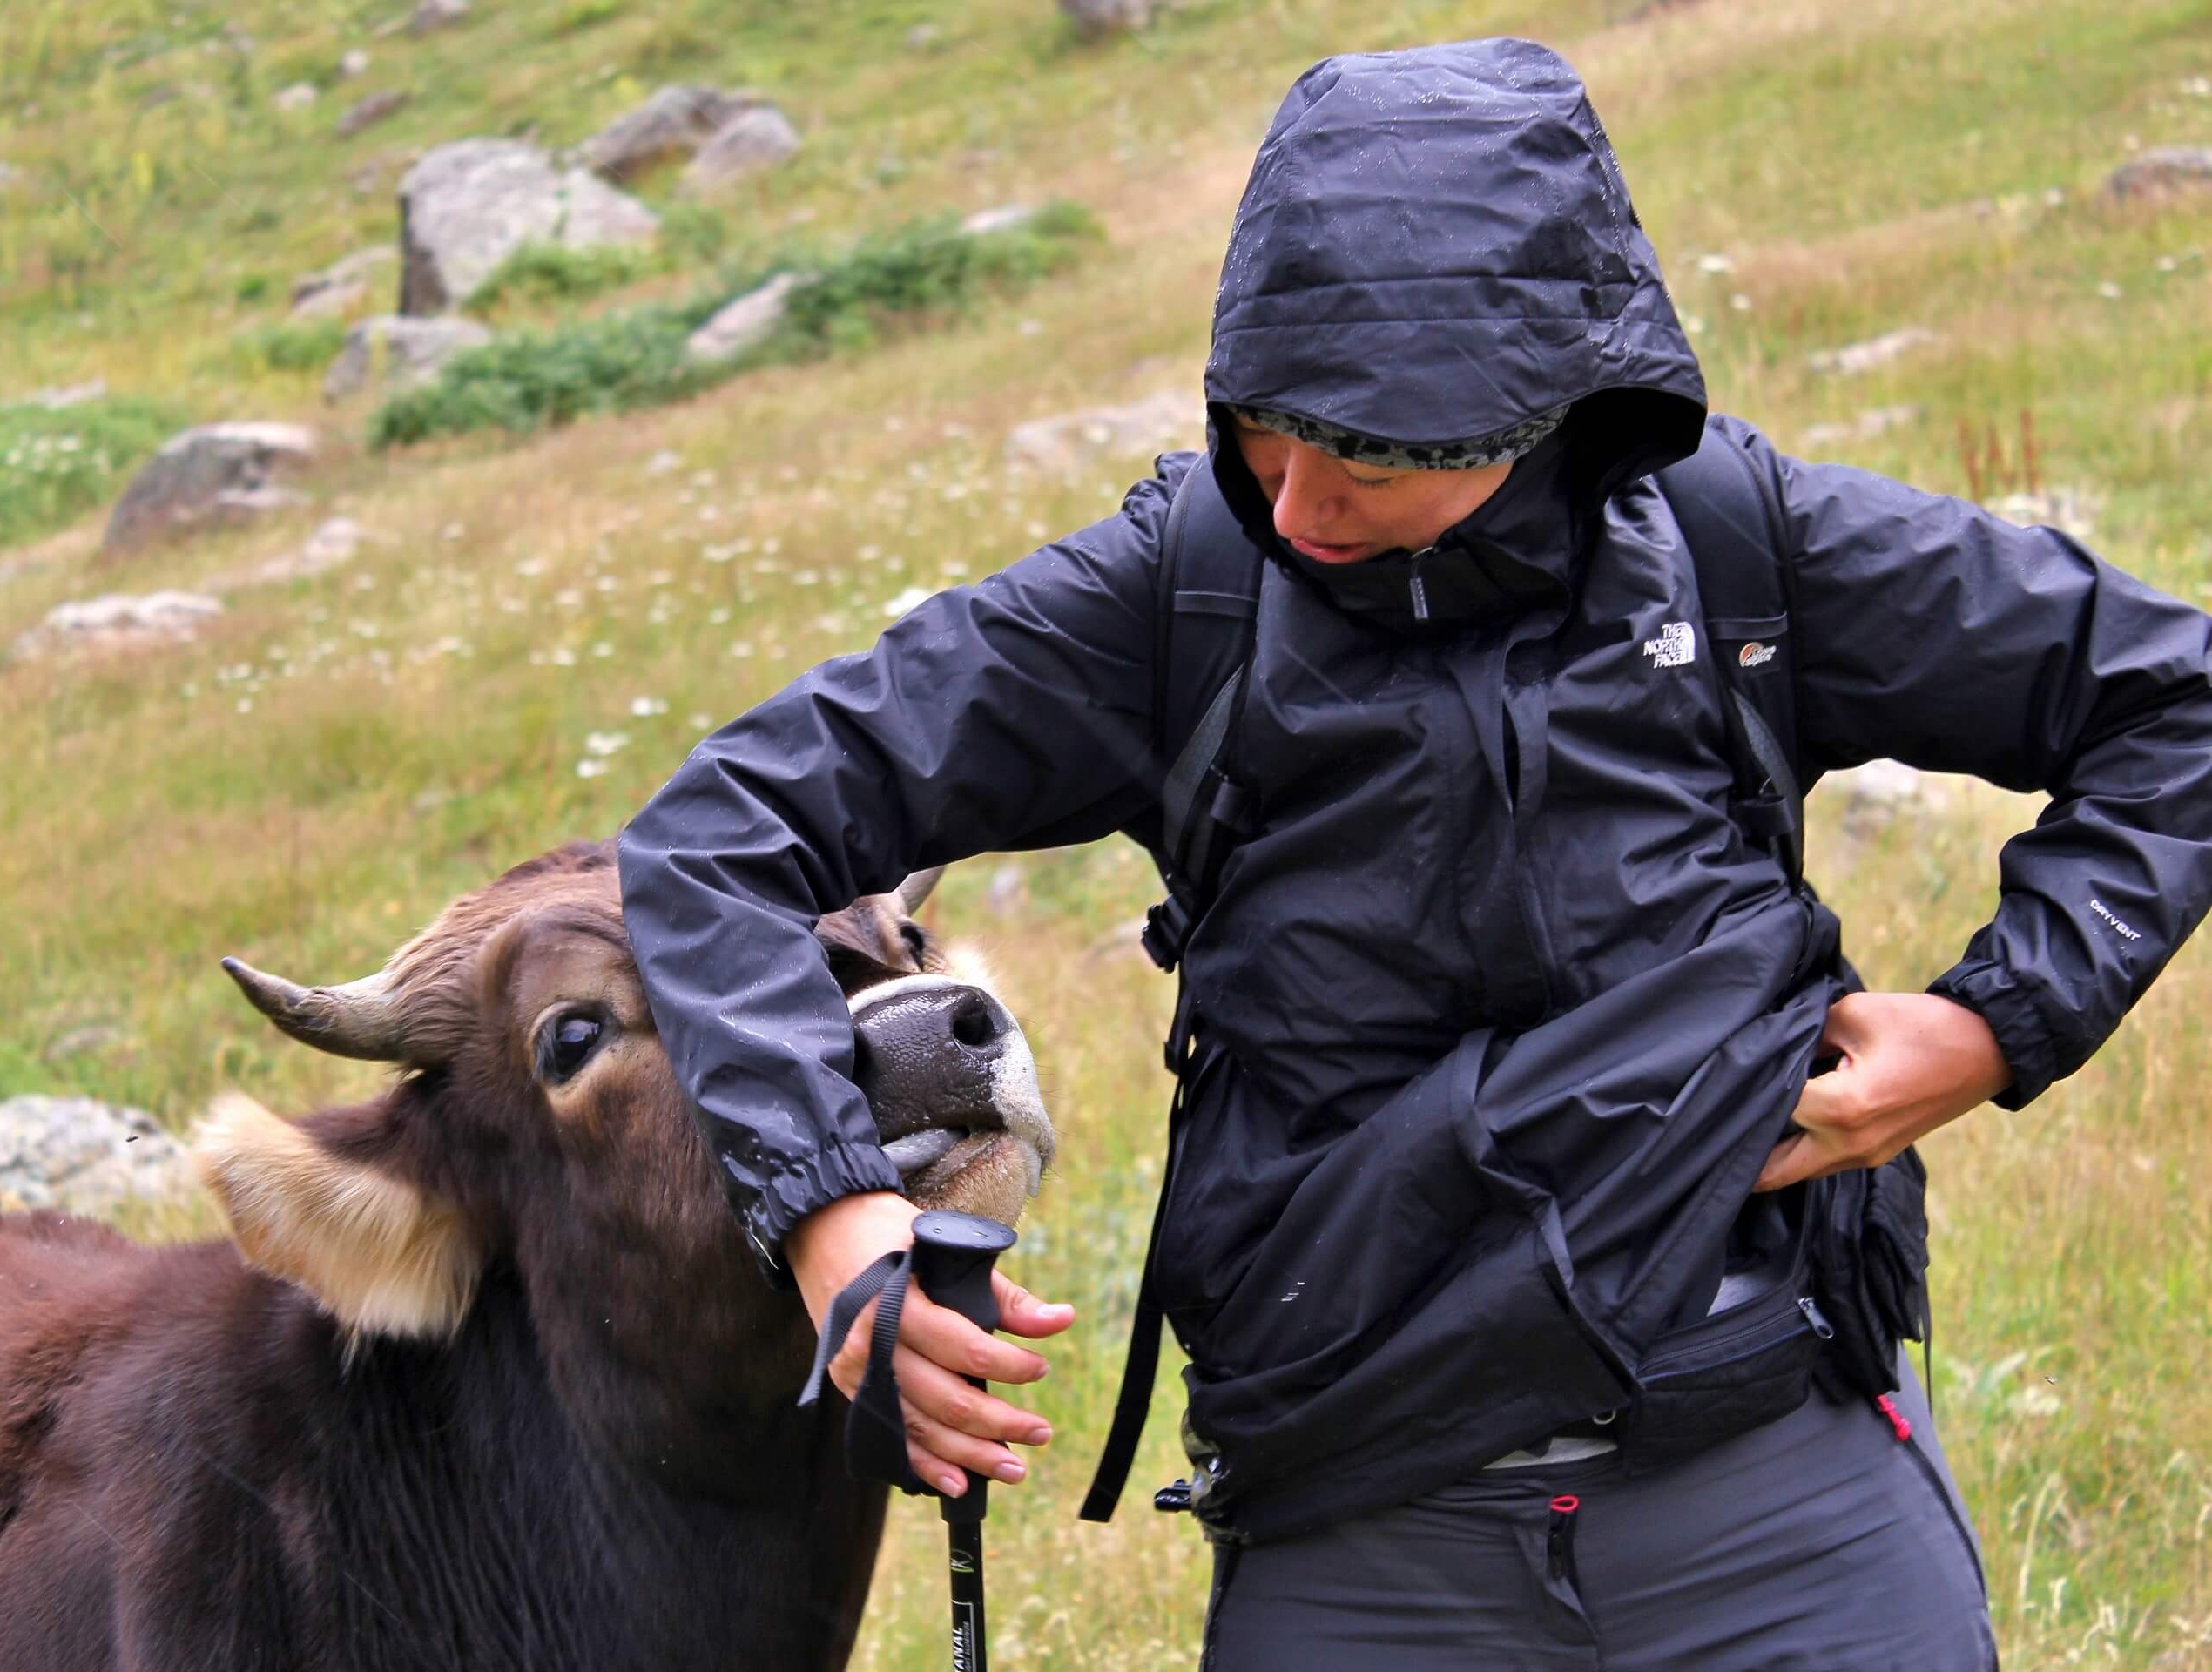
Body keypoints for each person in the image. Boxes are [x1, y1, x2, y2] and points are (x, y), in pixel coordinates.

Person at [617, 37, 2212, 1669]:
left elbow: (2178, 700)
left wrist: (1994, 1023)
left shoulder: (1739, 551)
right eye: (1263, 427)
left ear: (1556, 407)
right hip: (1361, 1531)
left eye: (1371, 458)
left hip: (1786, 1494)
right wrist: (835, 1222)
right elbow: (715, 833)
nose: (1298, 501)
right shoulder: (1178, 600)